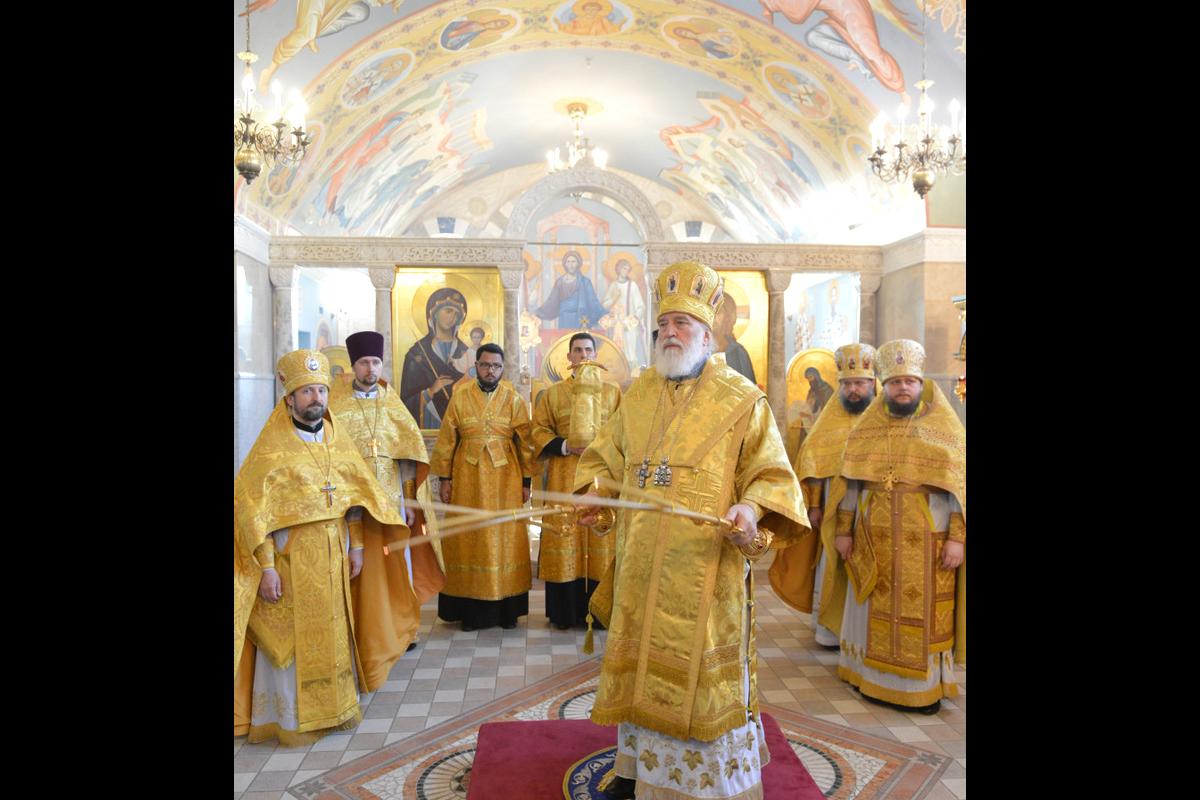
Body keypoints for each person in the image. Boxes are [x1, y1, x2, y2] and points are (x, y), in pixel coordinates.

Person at [575, 260, 808, 800]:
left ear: (707, 333)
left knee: (698, 679)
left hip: (705, 571)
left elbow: (772, 475)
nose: (670, 333)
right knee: (640, 669)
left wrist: (749, 509)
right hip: (641, 569)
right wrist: (596, 493)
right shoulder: (638, 394)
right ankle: (638, 771)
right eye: (664, 324)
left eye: (682, 323)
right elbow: (606, 459)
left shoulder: (742, 398)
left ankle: (704, 785)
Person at [234, 349, 406, 745]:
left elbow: (355, 500)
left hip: (333, 550)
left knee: (333, 630)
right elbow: (252, 513)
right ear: (290, 398)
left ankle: (337, 708)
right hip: (289, 558)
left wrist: (357, 546)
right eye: (307, 391)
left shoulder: (336, 439)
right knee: (291, 641)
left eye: (321, 390)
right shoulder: (270, 448)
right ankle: (290, 720)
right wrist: (266, 568)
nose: (316, 398)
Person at [830, 339, 965, 714]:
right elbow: (851, 486)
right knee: (869, 604)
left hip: (927, 538)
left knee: (923, 615)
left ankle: (920, 690)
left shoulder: (945, 430)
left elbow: (959, 490)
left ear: (921, 384)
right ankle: (870, 679)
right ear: (884, 387)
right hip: (871, 536)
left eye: (909, 381)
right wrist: (843, 531)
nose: (902, 387)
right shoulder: (866, 430)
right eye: (895, 382)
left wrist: (957, 539)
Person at [329, 331, 446, 685]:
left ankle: (403, 630)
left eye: (376, 362)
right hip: (354, 504)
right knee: (358, 564)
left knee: (398, 564)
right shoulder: (336, 406)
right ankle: (361, 629)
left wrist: (409, 499)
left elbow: (408, 457)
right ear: (353, 366)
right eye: (364, 363)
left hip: (393, 500)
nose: (370, 368)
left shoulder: (392, 403)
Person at [769, 343, 877, 649]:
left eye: (860, 383)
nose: (854, 390)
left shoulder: (884, 421)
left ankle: (865, 632)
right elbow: (812, 464)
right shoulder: (829, 422)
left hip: (874, 513)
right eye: (848, 384)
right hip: (832, 509)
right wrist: (814, 505)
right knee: (833, 562)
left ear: (873, 384)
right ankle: (830, 630)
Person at [429, 343, 536, 631]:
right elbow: (447, 439)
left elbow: (525, 443)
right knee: (468, 536)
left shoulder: (513, 398)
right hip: (467, 478)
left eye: (496, 366)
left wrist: (526, 482)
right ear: (476, 365)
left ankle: (507, 611)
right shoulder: (460, 396)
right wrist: (445, 479)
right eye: (486, 365)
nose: (491, 371)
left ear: (503, 368)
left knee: (505, 536)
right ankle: (470, 612)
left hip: (506, 479)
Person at [530, 332, 622, 630]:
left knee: (601, 535)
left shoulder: (612, 393)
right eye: (577, 351)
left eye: (587, 350)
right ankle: (565, 614)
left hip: (602, 479)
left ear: (595, 355)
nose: (583, 356)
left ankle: (601, 611)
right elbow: (538, 431)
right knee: (565, 535)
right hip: (564, 476)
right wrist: (565, 445)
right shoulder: (553, 394)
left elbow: (625, 434)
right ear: (568, 357)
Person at [400, 287, 469, 427]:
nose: (452, 317)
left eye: (456, 314)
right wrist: (431, 391)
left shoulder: (466, 352)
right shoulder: (417, 354)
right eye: (448, 311)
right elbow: (405, 404)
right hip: (430, 424)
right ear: (434, 313)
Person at [534, 250, 609, 330]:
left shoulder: (585, 282)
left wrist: (603, 314)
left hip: (580, 318)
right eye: (568, 262)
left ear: (578, 263)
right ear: (565, 264)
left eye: (573, 261)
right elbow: (552, 301)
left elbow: (593, 301)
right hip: (564, 317)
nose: (571, 265)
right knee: (565, 337)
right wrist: (539, 313)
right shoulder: (560, 282)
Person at [600, 259, 647, 368]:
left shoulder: (632, 285)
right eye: (624, 268)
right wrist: (614, 298)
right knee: (616, 351)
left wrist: (633, 320)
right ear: (618, 269)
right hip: (615, 325)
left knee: (630, 352)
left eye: (628, 269)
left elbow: (640, 306)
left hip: (628, 325)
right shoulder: (613, 285)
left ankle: (631, 372)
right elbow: (605, 305)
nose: (626, 271)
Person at [713, 294, 756, 383]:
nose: (713, 316)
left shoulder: (738, 352)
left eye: (718, 312)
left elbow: (749, 388)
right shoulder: (696, 351)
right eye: (710, 310)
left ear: (727, 317)